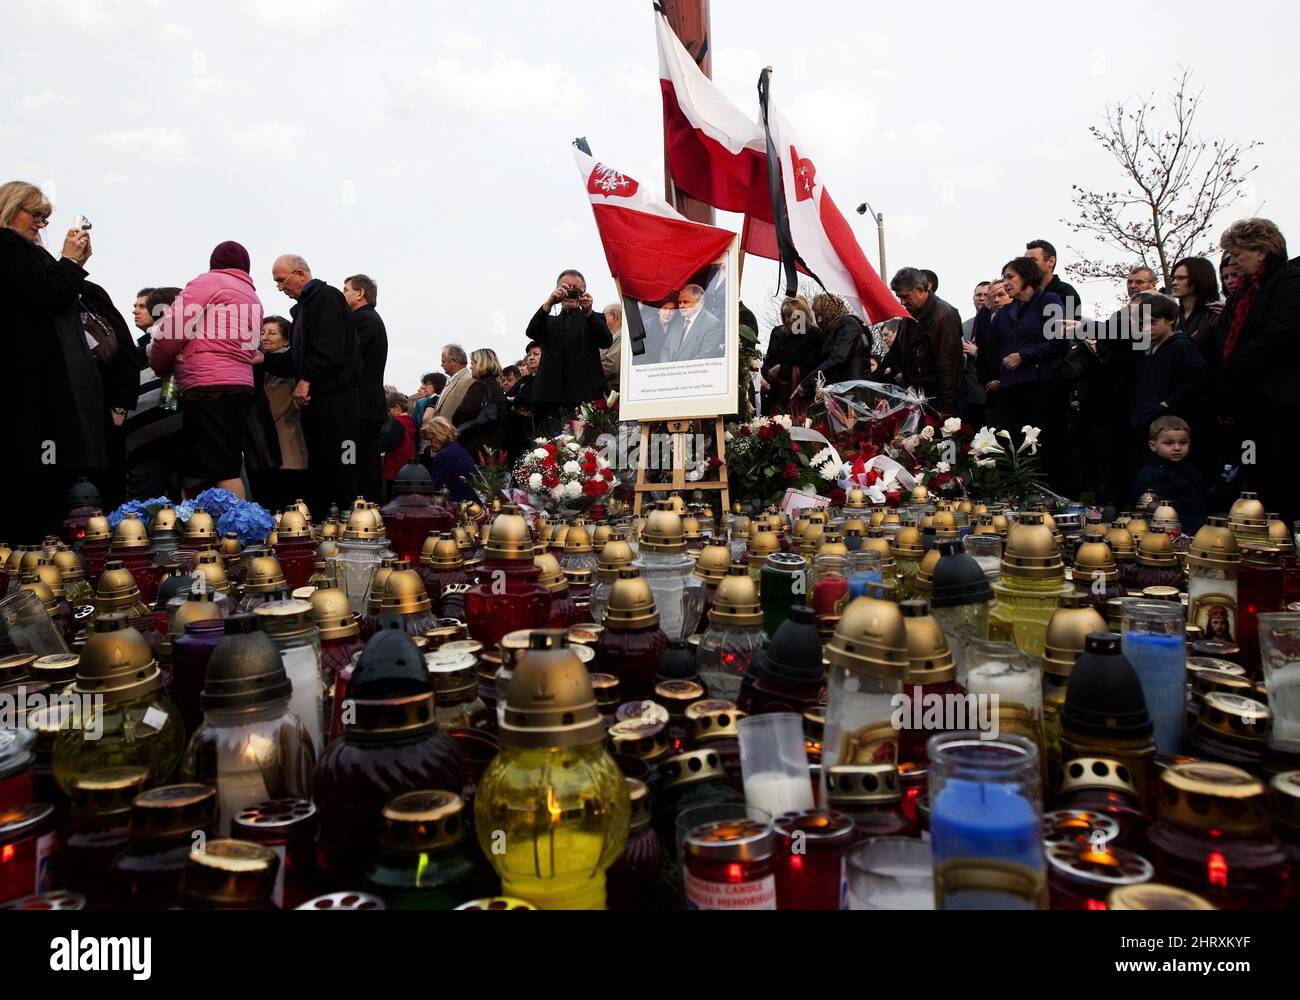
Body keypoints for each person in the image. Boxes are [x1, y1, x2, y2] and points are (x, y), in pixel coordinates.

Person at [0, 181, 106, 543]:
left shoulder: (26, 250)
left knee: (51, 474)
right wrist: (70, 261)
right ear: (12, 209)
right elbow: (46, 296)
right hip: (31, 385)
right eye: (36, 216)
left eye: (46, 218)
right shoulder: (7, 248)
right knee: (39, 474)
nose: (41, 224)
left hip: (42, 382)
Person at [149, 241, 262, 498]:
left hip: (208, 385)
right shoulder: (252, 296)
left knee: (220, 468)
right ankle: (220, 525)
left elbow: (173, 329)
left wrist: (157, 362)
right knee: (224, 459)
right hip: (240, 385)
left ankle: (234, 530)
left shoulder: (209, 283)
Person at [1214, 218, 1300, 523]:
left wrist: (1235, 365)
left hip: (1278, 402)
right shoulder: (1245, 289)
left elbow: (1278, 335)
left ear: (1261, 251)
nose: (1233, 261)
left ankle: (1284, 540)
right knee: (1252, 473)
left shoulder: (1288, 281)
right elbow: (1225, 337)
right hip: (1246, 403)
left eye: (1238, 253)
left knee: (1280, 478)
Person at [264, 254, 361, 514]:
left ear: (300, 274)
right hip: (318, 404)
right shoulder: (304, 307)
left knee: (344, 459)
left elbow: (330, 348)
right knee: (321, 465)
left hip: (338, 403)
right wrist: (262, 359)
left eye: (282, 281)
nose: (280, 288)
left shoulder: (326, 298)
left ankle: (350, 518)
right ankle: (323, 522)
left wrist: (307, 379)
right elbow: (295, 361)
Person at [974, 257, 1069, 487]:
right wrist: (986, 311)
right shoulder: (1007, 312)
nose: (1005, 283)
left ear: (1027, 276)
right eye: (1004, 277)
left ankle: (1051, 494)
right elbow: (987, 344)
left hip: (1041, 385)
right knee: (1013, 443)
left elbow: (1059, 342)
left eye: (1010, 277)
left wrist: (1023, 356)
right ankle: (1018, 492)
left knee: (1044, 444)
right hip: (1012, 387)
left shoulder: (1050, 300)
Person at [1128, 292, 1211, 469]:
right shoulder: (1147, 349)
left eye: (1153, 322)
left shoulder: (1181, 346)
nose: (1147, 329)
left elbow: (1199, 378)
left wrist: (1168, 403)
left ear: (1170, 320)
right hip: (1148, 423)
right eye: (1142, 324)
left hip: (1172, 426)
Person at [525, 269, 612, 431]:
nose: (570, 291)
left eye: (575, 288)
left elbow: (606, 341)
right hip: (549, 397)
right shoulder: (549, 321)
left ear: (583, 293)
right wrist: (549, 302)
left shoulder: (594, 318)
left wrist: (589, 312)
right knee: (545, 447)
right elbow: (531, 332)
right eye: (566, 287)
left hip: (584, 396)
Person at [880, 267, 964, 416]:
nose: (902, 302)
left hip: (937, 397)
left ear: (920, 290)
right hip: (914, 395)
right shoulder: (909, 316)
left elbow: (949, 366)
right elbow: (897, 353)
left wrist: (947, 409)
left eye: (906, 297)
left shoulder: (943, 316)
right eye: (899, 297)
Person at [248, 315, 308, 511]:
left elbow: (272, 405)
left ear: (287, 339)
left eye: (272, 333)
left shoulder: (287, 367)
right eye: (263, 332)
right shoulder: (260, 364)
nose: (265, 337)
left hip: (285, 445)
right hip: (264, 447)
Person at [344, 273, 388, 503]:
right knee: (361, 460)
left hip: (361, 407)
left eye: (346, 290)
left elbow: (347, 358)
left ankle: (362, 507)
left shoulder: (363, 320)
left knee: (354, 461)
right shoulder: (370, 319)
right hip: (367, 406)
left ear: (360, 293)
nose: (343, 296)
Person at [1132, 415, 1209, 534]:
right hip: (1171, 533)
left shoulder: (1189, 469)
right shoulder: (1150, 476)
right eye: (1169, 443)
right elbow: (1162, 518)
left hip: (1198, 524)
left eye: (1183, 442)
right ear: (1153, 445)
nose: (1177, 448)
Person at [794, 293, 871, 401]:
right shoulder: (836, 330)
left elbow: (838, 358)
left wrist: (807, 382)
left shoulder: (847, 324)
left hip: (852, 391)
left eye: (821, 314)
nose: (819, 320)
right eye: (817, 315)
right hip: (844, 390)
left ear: (831, 310)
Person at [761, 295, 822, 416]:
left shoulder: (813, 334)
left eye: (795, 316)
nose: (790, 320)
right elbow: (768, 360)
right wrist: (767, 373)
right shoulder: (777, 332)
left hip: (799, 396)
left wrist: (782, 368)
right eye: (787, 315)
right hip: (774, 396)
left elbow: (812, 369)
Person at [452, 348, 508, 459]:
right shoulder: (496, 387)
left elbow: (464, 412)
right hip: (494, 445)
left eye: (473, 363)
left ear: (482, 364)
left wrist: (456, 418)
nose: (471, 367)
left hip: (475, 446)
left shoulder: (480, 386)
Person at [1169, 257, 1222, 364]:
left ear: (1199, 279)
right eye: (1173, 278)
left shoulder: (1215, 314)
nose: (1174, 283)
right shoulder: (1172, 315)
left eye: (1181, 278)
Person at [660, 283, 725, 363]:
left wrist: (678, 371)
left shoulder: (713, 325)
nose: (681, 306)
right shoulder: (677, 320)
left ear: (699, 302)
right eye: (680, 302)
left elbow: (705, 358)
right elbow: (666, 349)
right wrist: (667, 369)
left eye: (686, 302)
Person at [423, 415, 478, 502]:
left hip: (457, 503)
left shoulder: (444, 456)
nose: (429, 444)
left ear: (440, 435)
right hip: (471, 501)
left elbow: (436, 488)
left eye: (431, 439)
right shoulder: (458, 449)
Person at [1025, 239, 1083, 321]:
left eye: (1033, 261)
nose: (1026, 265)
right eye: (1025, 261)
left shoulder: (1067, 293)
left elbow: (1070, 327)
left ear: (1051, 262)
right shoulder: (1024, 293)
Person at [959, 282, 991, 428]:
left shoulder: (998, 323)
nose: (982, 298)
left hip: (990, 393)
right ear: (973, 298)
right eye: (979, 295)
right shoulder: (964, 326)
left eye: (986, 295)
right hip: (967, 395)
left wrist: (977, 353)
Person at [380, 389, 416, 500]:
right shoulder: (410, 422)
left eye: (389, 410)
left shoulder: (398, 423)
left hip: (395, 467)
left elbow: (391, 443)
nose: (388, 413)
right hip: (407, 468)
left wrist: (380, 443)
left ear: (397, 408)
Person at [429, 344, 472, 423]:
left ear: (453, 361)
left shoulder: (467, 380)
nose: (441, 365)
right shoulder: (451, 381)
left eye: (443, 361)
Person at [601, 302, 623, 390]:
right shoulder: (612, 336)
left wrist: (589, 374)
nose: (601, 321)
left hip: (614, 391)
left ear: (614, 316)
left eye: (603, 317)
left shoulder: (621, 336)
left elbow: (611, 367)